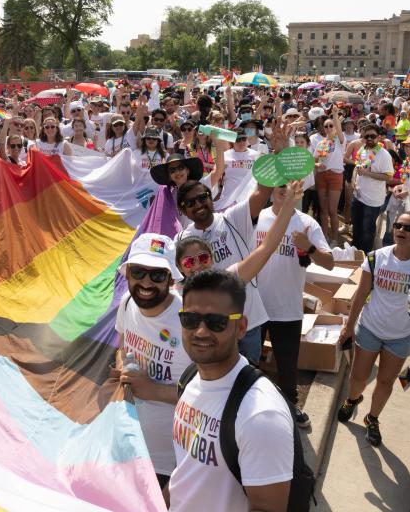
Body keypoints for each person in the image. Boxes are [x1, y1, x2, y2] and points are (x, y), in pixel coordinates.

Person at [167, 270, 293, 512]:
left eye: (217, 322)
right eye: (190, 319)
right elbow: (186, 472)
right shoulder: (191, 378)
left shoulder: (261, 416)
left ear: (241, 327)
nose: (201, 331)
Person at [337, 211, 410, 448]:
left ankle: (372, 418)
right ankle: (352, 399)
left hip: (400, 337)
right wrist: (349, 326)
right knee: (358, 377)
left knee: (386, 382)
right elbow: (361, 294)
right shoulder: (375, 258)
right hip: (370, 329)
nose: (401, 231)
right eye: (398, 226)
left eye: (408, 228)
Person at [254, 183, 334, 427]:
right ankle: (251, 411)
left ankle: (290, 406)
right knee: (250, 363)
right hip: (254, 307)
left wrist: (308, 247)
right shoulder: (257, 217)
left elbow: (329, 263)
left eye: (289, 186)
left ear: (298, 192)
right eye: (278, 185)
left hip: (287, 310)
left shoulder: (307, 224)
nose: (283, 189)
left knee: (287, 368)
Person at [113, 233, 189, 490]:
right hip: (131, 448)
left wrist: (153, 390)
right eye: (138, 272)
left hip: (174, 463)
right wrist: (124, 369)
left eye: (156, 275)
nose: (146, 282)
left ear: (170, 279)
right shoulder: (126, 304)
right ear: (128, 274)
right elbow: (122, 349)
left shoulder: (188, 321)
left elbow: (210, 395)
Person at [175, 178, 273, 362]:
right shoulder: (180, 240)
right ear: (183, 210)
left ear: (211, 198)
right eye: (190, 203)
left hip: (247, 321)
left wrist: (276, 156)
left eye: (202, 198)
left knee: (247, 379)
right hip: (211, 330)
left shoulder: (233, 218)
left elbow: (263, 192)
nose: (198, 204)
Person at [351, 124, 394, 251]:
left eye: (373, 136)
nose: (369, 138)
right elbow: (356, 167)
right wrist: (353, 180)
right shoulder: (362, 150)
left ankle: (365, 259)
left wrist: (368, 174)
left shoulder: (384, 155)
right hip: (358, 196)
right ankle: (355, 254)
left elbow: (389, 177)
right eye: (367, 136)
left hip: (372, 201)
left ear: (379, 138)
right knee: (356, 227)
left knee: (367, 232)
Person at [312, 107, 345, 245]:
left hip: (335, 176)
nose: (328, 128)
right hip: (322, 176)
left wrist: (336, 116)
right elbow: (314, 161)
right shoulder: (321, 143)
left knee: (332, 210)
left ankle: (335, 238)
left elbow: (338, 127)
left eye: (330, 125)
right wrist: (318, 165)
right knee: (323, 209)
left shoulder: (339, 140)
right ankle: (324, 236)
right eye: (326, 126)